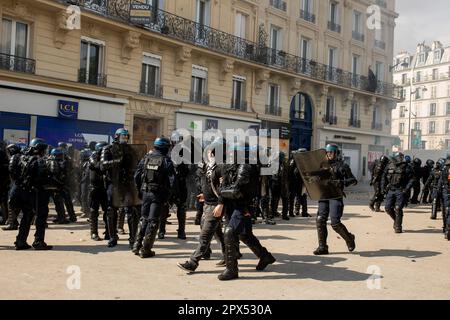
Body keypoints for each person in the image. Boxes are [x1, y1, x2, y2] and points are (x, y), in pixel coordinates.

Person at [216, 142, 276, 281]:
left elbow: (236, 191)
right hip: (233, 205)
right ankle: (265, 256)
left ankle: (231, 270)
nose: (231, 154)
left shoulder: (247, 168)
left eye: (234, 152)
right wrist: (223, 194)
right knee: (245, 235)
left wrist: (222, 190)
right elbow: (225, 186)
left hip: (244, 206)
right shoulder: (231, 166)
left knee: (230, 233)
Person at [177, 139, 226, 272]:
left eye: (211, 150)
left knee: (205, 236)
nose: (208, 153)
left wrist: (221, 203)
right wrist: (204, 194)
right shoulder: (208, 165)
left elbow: (224, 188)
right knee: (217, 232)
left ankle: (193, 263)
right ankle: (229, 255)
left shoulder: (222, 166)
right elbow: (206, 183)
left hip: (215, 205)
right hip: (207, 203)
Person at [133, 137, 175, 258]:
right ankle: (146, 249)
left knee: (144, 218)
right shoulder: (166, 161)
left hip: (146, 192)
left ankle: (136, 245)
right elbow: (173, 181)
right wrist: (170, 196)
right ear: (166, 148)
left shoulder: (146, 158)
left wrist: (140, 190)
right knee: (153, 221)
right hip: (158, 194)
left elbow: (136, 176)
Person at [313, 144, 357, 255]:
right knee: (320, 220)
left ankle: (349, 238)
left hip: (335, 196)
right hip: (324, 196)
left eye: (331, 152)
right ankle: (322, 247)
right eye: (327, 152)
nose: (329, 154)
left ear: (336, 153)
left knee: (335, 223)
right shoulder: (322, 166)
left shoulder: (343, 166)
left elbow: (353, 180)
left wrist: (342, 182)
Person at [14, 138, 53, 250]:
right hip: (36, 193)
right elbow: (42, 177)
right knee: (41, 216)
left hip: (22, 191)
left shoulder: (21, 157)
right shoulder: (39, 160)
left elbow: (13, 173)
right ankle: (38, 241)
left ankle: (20, 241)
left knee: (26, 216)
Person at [101, 128, 131, 247]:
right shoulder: (107, 149)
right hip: (113, 184)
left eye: (127, 136)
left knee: (130, 210)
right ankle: (112, 236)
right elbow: (103, 166)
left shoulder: (130, 150)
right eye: (123, 136)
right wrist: (118, 161)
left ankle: (133, 238)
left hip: (127, 184)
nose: (125, 138)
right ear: (117, 136)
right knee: (111, 210)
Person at [381, 152, 415, 234]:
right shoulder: (389, 166)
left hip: (400, 190)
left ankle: (398, 226)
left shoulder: (407, 167)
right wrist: (383, 188)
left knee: (398, 208)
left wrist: (406, 189)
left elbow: (412, 179)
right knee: (388, 208)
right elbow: (384, 177)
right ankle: (396, 220)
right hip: (391, 189)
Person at [88, 142, 109, 241]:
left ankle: (109, 232)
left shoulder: (106, 157)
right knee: (94, 211)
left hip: (105, 188)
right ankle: (94, 232)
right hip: (95, 188)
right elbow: (99, 166)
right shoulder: (93, 156)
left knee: (108, 211)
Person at [2, 144, 22, 231]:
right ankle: (13, 222)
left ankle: (12, 223)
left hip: (16, 183)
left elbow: (12, 172)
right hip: (21, 184)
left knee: (11, 203)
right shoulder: (22, 157)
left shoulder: (14, 158)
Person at [288, 149, 310, 218]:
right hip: (294, 182)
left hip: (302, 182)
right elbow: (290, 171)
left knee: (302, 197)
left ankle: (303, 212)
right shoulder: (294, 161)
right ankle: (293, 212)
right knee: (293, 197)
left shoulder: (305, 162)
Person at [269, 151, 289, 220]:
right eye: (281, 156)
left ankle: (284, 214)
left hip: (283, 184)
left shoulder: (285, 164)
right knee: (274, 199)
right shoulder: (272, 164)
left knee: (285, 199)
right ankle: (272, 212)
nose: (283, 158)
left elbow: (288, 174)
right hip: (275, 184)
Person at [439, 156, 450, 240]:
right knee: (447, 211)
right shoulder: (445, 169)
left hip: (446, 192)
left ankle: (446, 230)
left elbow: (441, 181)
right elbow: (441, 181)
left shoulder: (444, 169)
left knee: (446, 211)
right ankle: (447, 230)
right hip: (446, 192)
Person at [0, 141, 10, 226]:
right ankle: (5, 219)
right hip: (4, 181)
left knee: (3, 201)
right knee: (4, 201)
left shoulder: (3, 154)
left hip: (3, 181)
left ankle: (5, 218)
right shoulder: (4, 154)